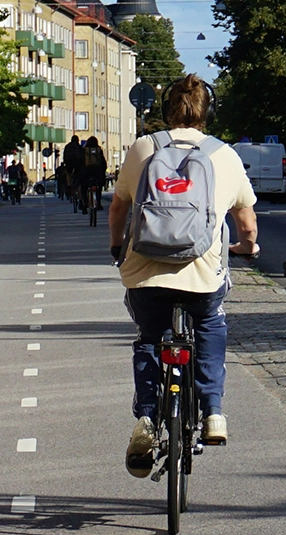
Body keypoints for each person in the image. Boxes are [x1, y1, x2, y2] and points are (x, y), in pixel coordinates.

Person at [109, 74, 258, 473]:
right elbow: (246, 220)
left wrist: (115, 246)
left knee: (149, 337)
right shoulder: (223, 155)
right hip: (201, 271)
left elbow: (119, 208)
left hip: (146, 270)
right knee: (210, 321)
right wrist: (247, 246)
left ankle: (145, 417)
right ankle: (212, 411)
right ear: (208, 111)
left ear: (165, 109)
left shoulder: (143, 148)